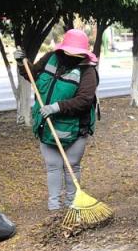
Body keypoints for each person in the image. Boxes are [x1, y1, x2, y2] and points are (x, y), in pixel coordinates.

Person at [14, 29, 100, 211]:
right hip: (48, 126)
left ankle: (72, 204)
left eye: (75, 54)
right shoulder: (52, 57)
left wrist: (56, 107)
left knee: (72, 166)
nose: (70, 56)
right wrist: (22, 63)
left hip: (75, 129)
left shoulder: (88, 72)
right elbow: (32, 74)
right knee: (53, 166)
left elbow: (84, 100)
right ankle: (54, 208)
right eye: (67, 52)